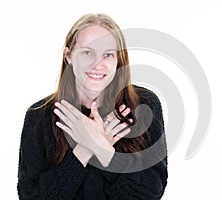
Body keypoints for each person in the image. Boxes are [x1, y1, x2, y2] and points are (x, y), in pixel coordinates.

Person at [17, 13, 168, 199]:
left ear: (118, 60)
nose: (98, 64)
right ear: (69, 56)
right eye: (87, 52)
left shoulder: (144, 105)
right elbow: (30, 197)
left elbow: (151, 193)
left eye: (108, 55)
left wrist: (104, 151)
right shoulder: (38, 116)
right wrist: (84, 149)